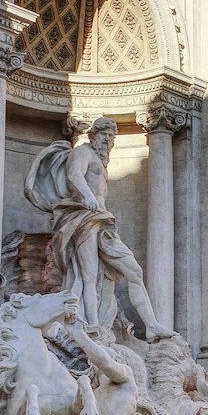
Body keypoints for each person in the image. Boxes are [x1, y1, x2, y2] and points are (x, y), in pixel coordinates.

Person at [25, 116, 170, 339]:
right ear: (94, 135)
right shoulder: (82, 152)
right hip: (83, 217)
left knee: (133, 269)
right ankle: (92, 326)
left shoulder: (101, 162)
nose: (109, 141)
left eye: (112, 137)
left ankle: (151, 325)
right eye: (105, 135)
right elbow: (74, 175)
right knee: (89, 275)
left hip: (102, 220)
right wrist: (88, 196)